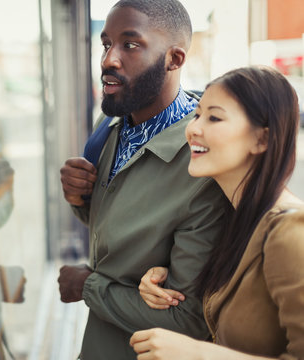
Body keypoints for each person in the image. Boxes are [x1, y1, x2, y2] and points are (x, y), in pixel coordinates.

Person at [58, 0, 228, 358]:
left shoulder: (205, 160)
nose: (108, 60)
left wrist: (87, 286)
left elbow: (189, 319)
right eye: (106, 44)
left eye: (130, 44)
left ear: (174, 59)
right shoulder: (109, 126)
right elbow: (114, 226)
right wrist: (80, 198)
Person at [131, 66, 304, 359]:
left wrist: (197, 354)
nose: (194, 128)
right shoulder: (240, 216)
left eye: (214, 117)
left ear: (262, 139)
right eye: (197, 114)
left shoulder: (290, 232)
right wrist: (166, 279)